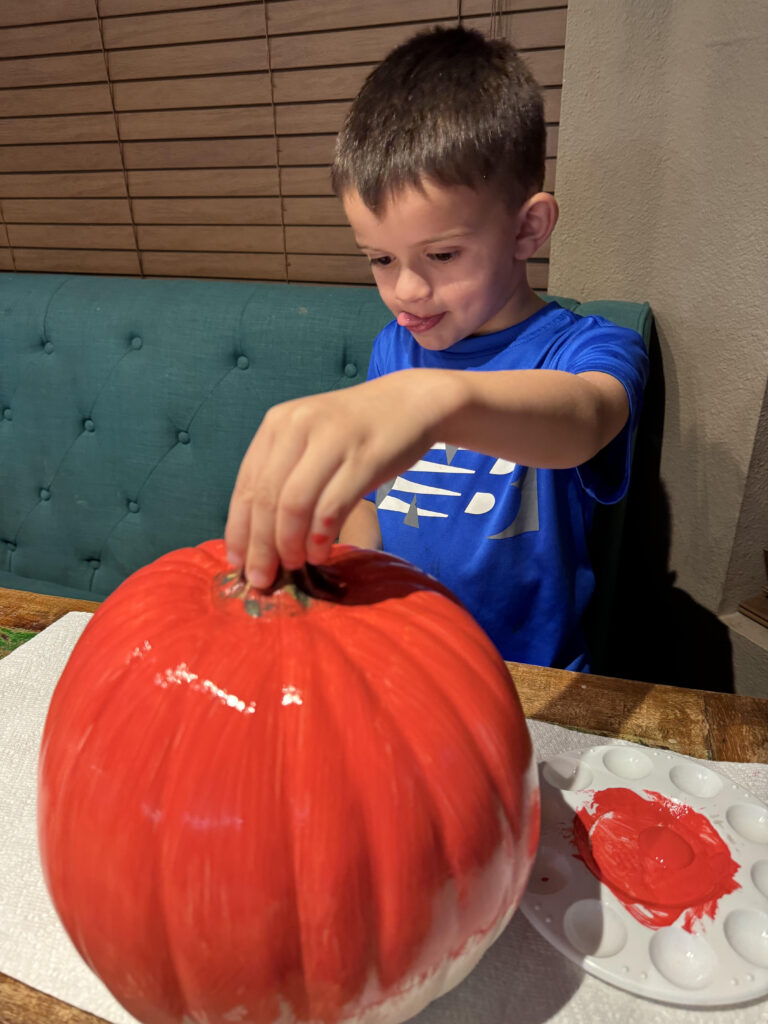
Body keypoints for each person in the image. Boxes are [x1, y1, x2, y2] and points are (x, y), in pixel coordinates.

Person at [225, 26, 649, 671]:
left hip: (524, 677)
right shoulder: (396, 347)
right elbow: (372, 506)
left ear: (526, 227)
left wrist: (430, 398)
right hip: (399, 657)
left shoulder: (588, 348)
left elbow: (585, 418)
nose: (408, 291)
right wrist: (346, 578)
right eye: (381, 259)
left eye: (443, 254)